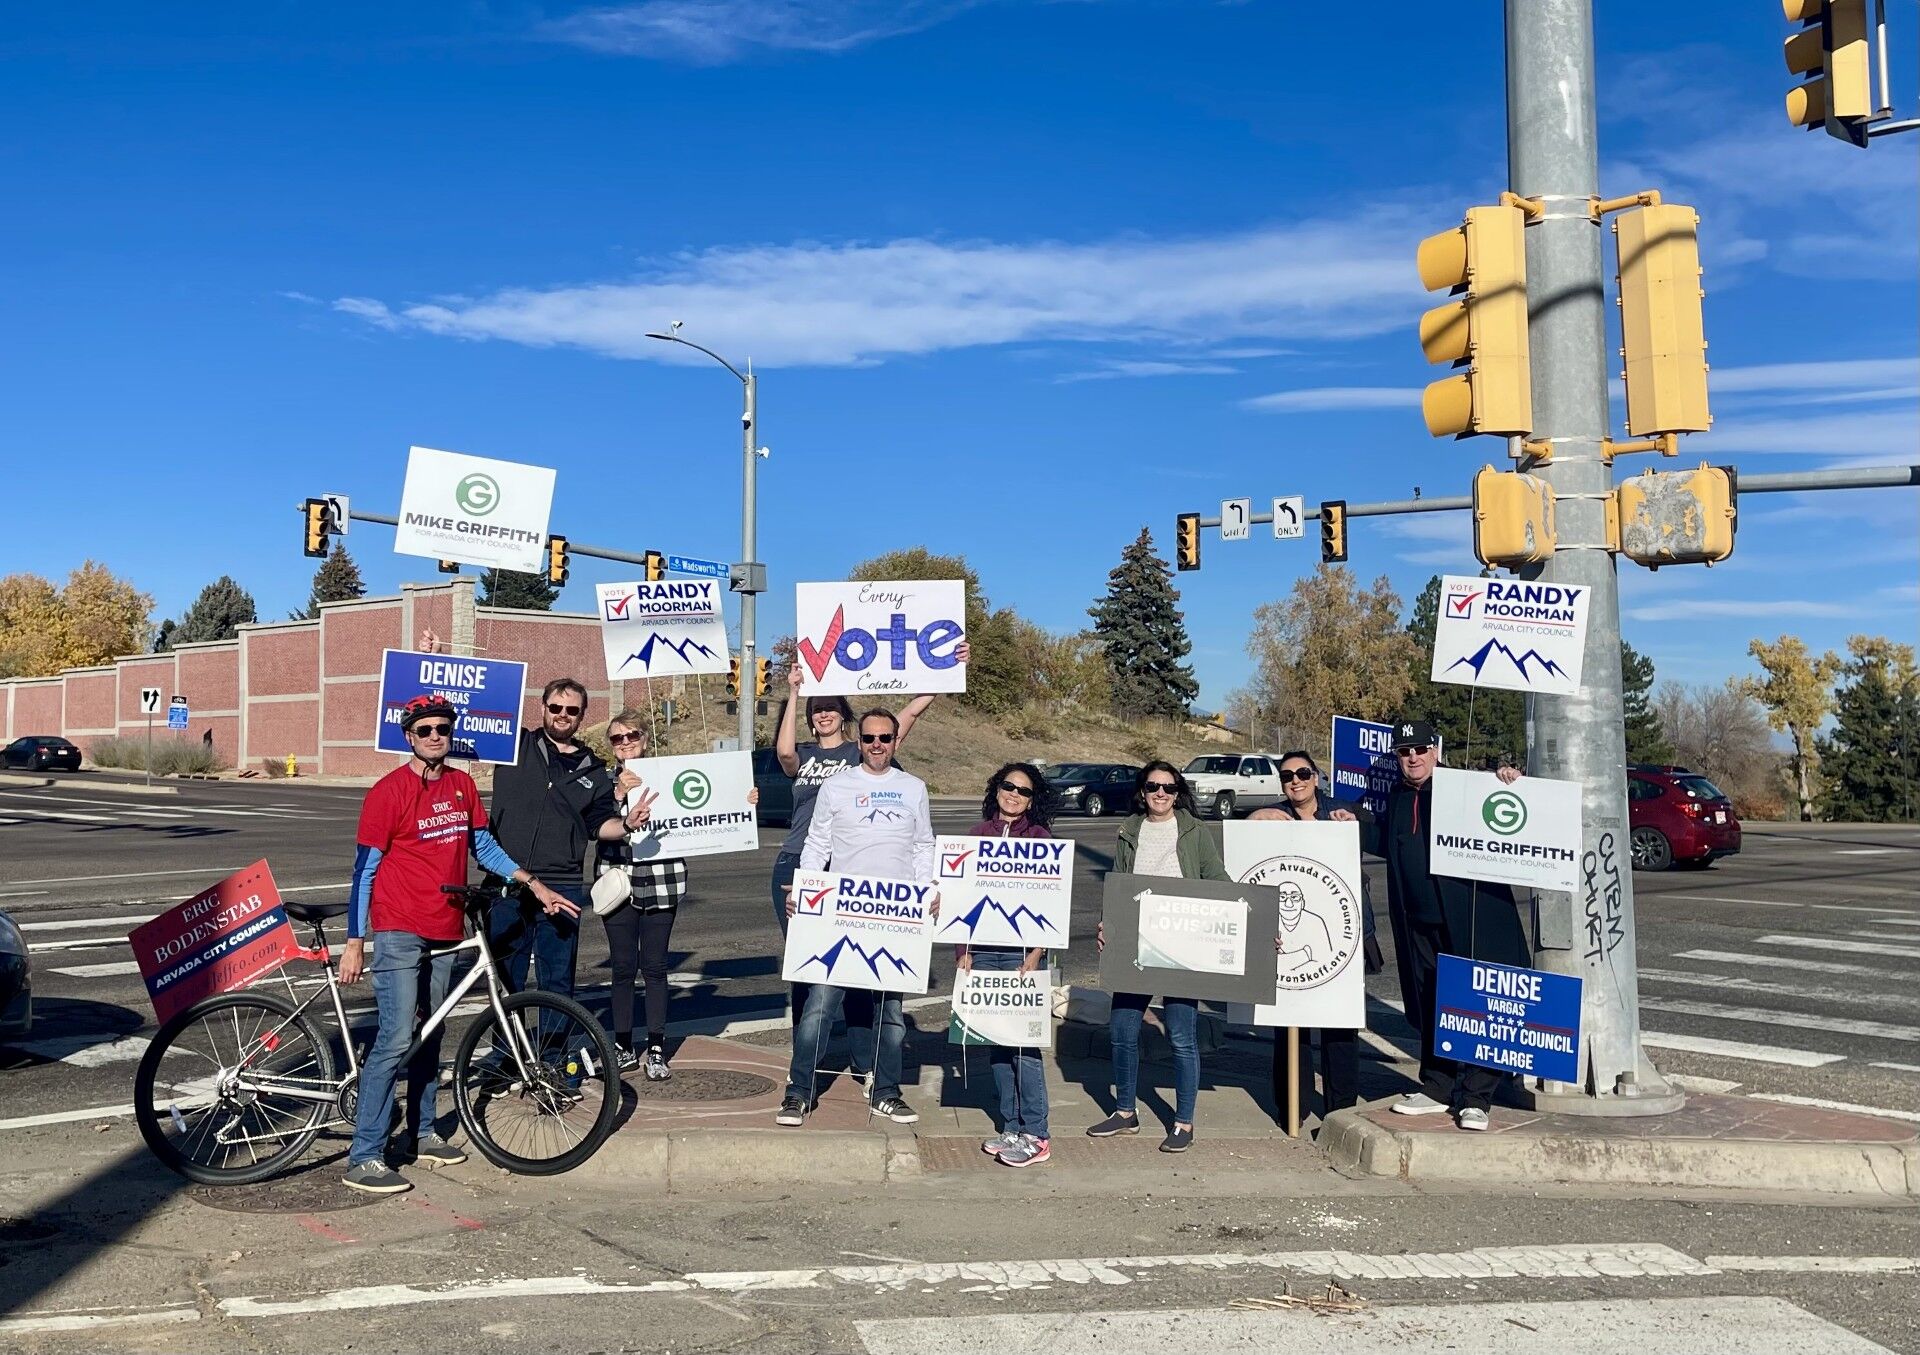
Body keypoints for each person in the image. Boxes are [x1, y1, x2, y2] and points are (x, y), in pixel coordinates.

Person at [339, 694, 576, 1196]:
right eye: (425, 730)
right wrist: (355, 940)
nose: (435, 738)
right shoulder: (388, 792)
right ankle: (364, 1155)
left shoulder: (462, 785)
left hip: (447, 927)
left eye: (443, 729)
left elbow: (482, 846)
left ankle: (421, 1135)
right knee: (397, 1036)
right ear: (409, 736)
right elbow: (365, 870)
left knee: (430, 1033)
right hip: (399, 927)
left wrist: (531, 882)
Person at [769, 655, 964, 1020]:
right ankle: (807, 1048)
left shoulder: (861, 749)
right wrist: (795, 691)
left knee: (854, 960)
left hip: (843, 863)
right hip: (798, 860)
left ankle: (860, 1047)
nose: (823, 714)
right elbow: (783, 752)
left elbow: (906, 718)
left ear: (846, 716)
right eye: (816, 709)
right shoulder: (804, 755)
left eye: (830, 707)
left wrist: (945, 670)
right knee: (805, 959)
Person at [1363, 719, 1529, 1132]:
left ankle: (1476, 1097)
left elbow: (1511, 811)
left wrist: (1510, 782)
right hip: (1417, 923)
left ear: (1434, 750)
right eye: (1404, 752)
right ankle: (1437, 1086)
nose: (1413, 757)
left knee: (1475, 1001)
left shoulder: (1465, 788)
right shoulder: (1399, 796)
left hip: (1469, 921)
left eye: (1419, 749)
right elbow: (1385, 841)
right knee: (1430, 1001)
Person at [777, 708, 936, 1128]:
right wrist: (806, 889)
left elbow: (924, 847)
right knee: (819, 1007)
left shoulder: (914, 788)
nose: (877, 745)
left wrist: (930, 892)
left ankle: (886, 1092)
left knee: (891, 1016)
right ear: (859, 741)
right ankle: (798, 1092)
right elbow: (817, 843)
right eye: (869, 739)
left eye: (885, 738)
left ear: (896, 741)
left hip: (896, 916)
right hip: (841, 914)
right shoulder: (837, 785)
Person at [592, 711, 759, 1078]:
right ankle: (622, 1046)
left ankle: (655, 1047)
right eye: (617, 738)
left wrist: (742, 799)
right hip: (618, 880)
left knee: (654, 966)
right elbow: (592, 824)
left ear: (645, 738)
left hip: (662, 878)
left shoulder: (669, 775)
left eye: (631, 735)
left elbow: (711, 801)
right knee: (622, 967)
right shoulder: (601, 782)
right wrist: (618, 793)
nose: (625, 743)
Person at [1088, 761, 1229, 1153]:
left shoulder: (1194, 830)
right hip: (1136, 941)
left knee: (1182, 1036)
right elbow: (1117, 881)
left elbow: (1215, 877)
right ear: (1142, 790)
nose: (1161, 793)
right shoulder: (1129, 830)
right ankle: (1125, 1112)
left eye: (1168, 786)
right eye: (1153, 786)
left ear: (1178, 790)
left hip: (1183, 942)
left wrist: (1251, 913)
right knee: (1122, 1032)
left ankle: (1183, 1122)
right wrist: (1106, 926)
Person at [486, 678, 649, 1011]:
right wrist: (434, 660)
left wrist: (626, 824)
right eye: (556, 707)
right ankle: (506, 1058)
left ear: (582, 715)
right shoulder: (514, 744)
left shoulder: (594, 768)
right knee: (506, 980)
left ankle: (552, 1058)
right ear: (543, 707)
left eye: (571, 710)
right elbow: (464, 713)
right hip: (508, 877)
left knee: (557, 981)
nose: (562, 715)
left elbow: (599, 824)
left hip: (563, 883)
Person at [1246, 750, 1384, 1124]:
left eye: (1303, 773)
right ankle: (1293, 1106)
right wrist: (1255, 816)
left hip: (1342, 933)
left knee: (1340, 1026)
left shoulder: (1340, 809)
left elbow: (1376, 829)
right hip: (1285, 939)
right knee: (1290, 1025)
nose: (1296, 780)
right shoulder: (1274, 815)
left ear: (1317, 777)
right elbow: (1244, 841)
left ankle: (1342, 1108)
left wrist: (1354, 822)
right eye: (1287, 776)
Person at [958, 762, 1055, 1169]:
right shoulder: (977, 836)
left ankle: (1037, 1133)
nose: (1014, 794)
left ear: (1033, 799)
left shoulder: (1040, 838)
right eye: (1008, 786)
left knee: (1024, 1045)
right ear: (996, 789)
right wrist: (962, 951)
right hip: (982, 952)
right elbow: (962, 898)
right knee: (995, 1042)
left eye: (1024, 791)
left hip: (1020, 955)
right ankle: (1011, 1126)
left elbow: (1049, 902)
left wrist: (1036, 953)